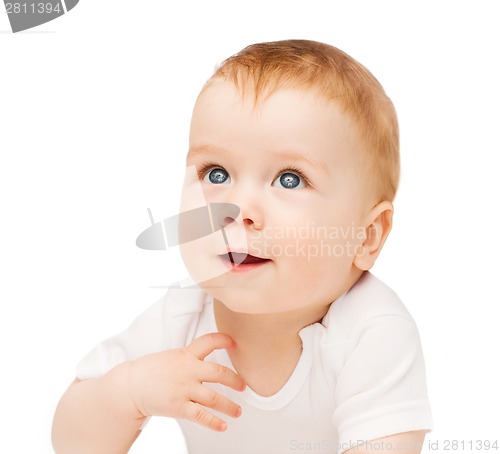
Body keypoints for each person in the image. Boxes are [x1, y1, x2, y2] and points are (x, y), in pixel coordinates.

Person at [52, 40, 433, 453]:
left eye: (289, 179)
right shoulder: (182, 316)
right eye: (216, 173)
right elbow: (72, 443)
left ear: (367, 235)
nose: (238, 209)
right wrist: (130, 391)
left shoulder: (371, 332)